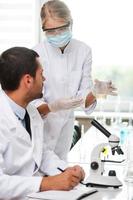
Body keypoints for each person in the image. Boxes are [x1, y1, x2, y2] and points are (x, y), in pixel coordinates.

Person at [33, 0, 117, 164]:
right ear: (43, 29)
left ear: (71, 24)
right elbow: (30, 103)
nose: (57, 35)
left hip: (65, 129)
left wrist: (95, 92)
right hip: (40, 129)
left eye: (62, 29)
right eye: (51, 31)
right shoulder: (36, 53)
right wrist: (53, 107)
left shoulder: (83, 51)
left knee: (61, 170)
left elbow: (84, 97)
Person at [0, 47, 85, 200]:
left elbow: (41, 153)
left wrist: (67, 170)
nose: (44, 79)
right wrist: (46, 183)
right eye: (41, 74)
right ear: (28, 80)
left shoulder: (31, 111)